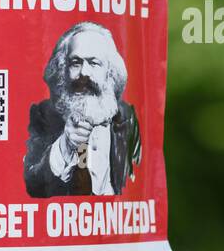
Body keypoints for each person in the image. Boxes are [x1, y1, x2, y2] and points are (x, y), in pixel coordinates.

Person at [24, 21, 141, 197]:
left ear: (109, 71)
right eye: (76, 63)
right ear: (63, 70)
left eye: (94, 63)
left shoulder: (127, 117)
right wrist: (65, 145)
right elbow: (33, 186)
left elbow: (136, 183)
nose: (84, 73)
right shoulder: (41, 116)